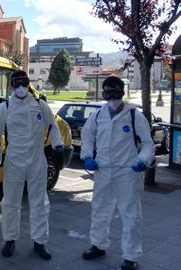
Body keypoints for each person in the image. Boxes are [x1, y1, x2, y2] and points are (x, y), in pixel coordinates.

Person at [80, 76, 155, 270]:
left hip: (128, 172)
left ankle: (131, 256)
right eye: (108, 92)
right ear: (103, 93)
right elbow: (87, 135)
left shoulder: (134, 116)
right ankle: (98, 244)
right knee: (99, 210)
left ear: (122, 92)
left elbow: (147, 144)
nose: (112, 96)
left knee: (130, 214)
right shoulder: (98, 115)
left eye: (116, 91)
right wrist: (87, 155)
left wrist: (143, 160)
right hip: (103, 170)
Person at [0, 70, 64, 260]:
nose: (20, 87)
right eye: (16, 83)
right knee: (11, 202)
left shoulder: (40, 105)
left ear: (28, 84)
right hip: (14, 160)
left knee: (40, 202)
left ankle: (40, 242)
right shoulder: (4, 107)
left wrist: (58, 145)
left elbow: (53, 125)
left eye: (23, 83)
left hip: (37, 160)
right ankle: (10, 240)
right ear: (11, 86)